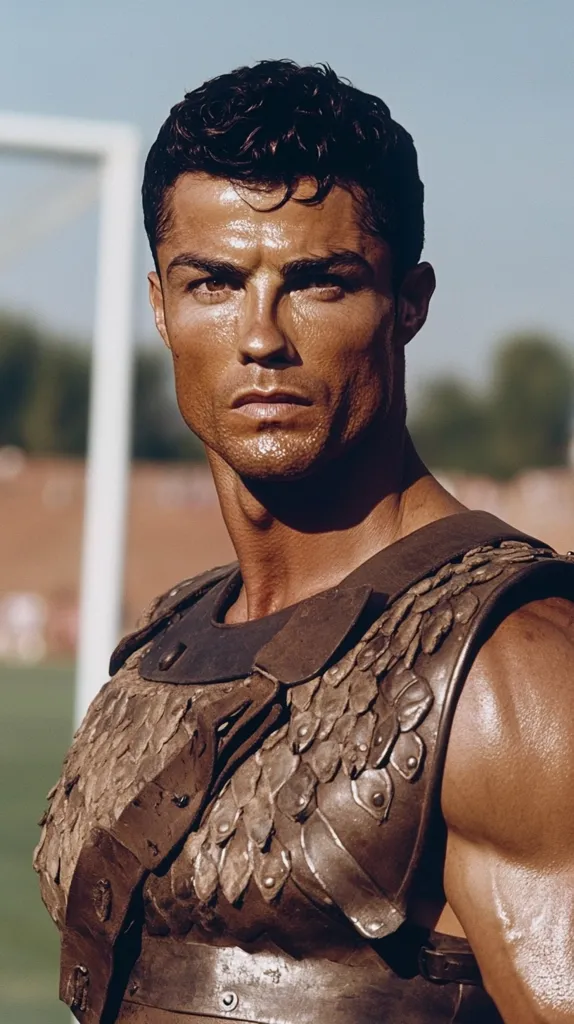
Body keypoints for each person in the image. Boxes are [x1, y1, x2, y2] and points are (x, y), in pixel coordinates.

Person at [34, 61, 574, 1024]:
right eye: (216, 284)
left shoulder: (511, 670)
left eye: (320, 284)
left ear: (408, 303)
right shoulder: (165, 641)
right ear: (161, 306)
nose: (261, 337)